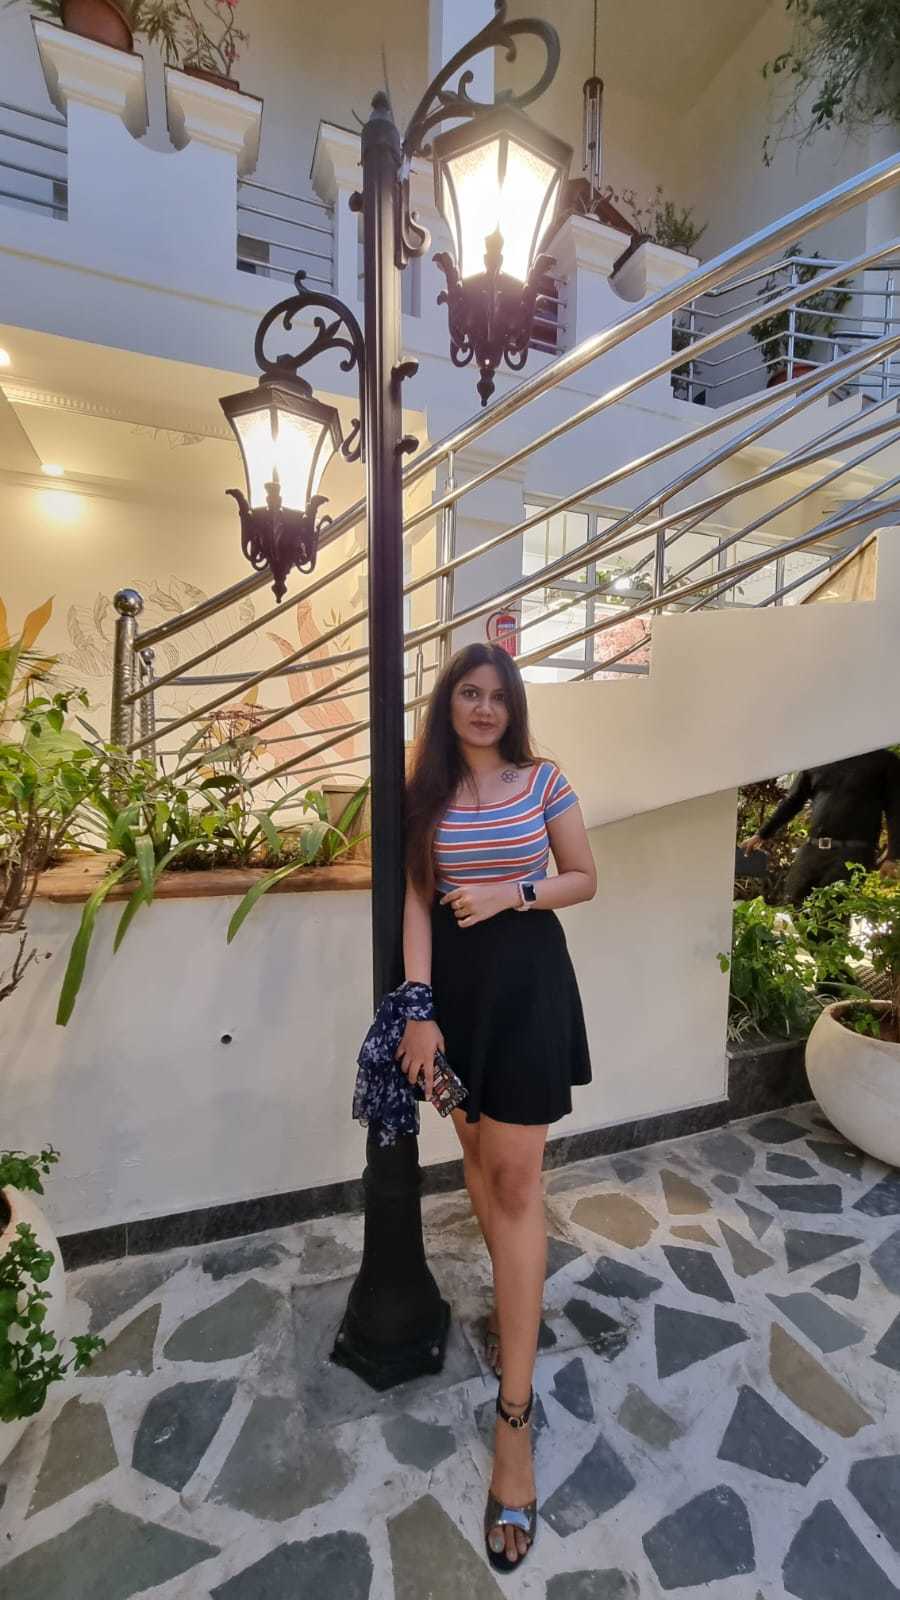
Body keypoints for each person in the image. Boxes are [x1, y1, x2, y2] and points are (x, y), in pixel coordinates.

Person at [396, 642, 596, 1573]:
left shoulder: (542, 779)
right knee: (476, 1159)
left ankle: (514, 1424)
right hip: (452, 1006)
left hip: (526, 989)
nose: (483, 708)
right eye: (468, 693)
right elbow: (416, 901)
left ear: (513, 707)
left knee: (516, 1182)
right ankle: (510, 1309)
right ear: (448, 704)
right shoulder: (426, 792)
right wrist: (419, 1011)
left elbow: (583, 876)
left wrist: (510, 892)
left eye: (497, 695)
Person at [742, 748, 900, 906]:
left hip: (853, 852)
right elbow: (793, 801)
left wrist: (893, 856)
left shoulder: (883, 760)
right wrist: (761, 834)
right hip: (812, 849)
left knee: (832, 911)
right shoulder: (819, 759)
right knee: (793, 904)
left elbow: (896, 810)